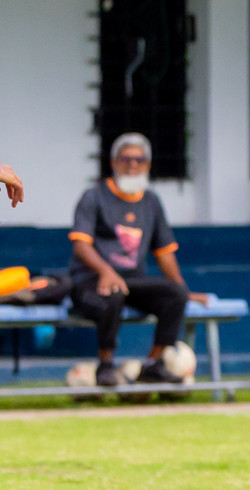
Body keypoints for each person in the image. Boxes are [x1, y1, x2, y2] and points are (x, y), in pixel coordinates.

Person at [67, 133, 207, 387]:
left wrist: (184, 290)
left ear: (148, 165)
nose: (133, 165)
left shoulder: (151, 201)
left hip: (132, 280)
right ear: (114, 162)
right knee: (113, 292)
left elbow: (164, 252)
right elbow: (80, 244)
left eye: (139, 160)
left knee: (175, 295)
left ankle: (153, 365)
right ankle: (106, 365)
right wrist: (106, 271)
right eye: (126, 159)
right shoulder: (94, 196)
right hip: (91, 280)